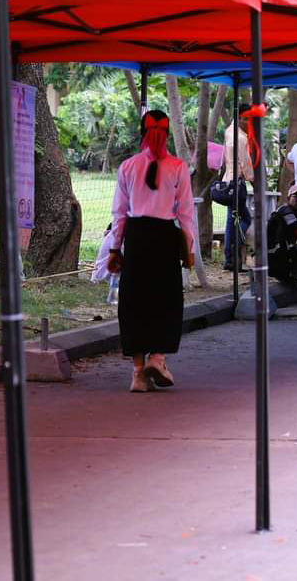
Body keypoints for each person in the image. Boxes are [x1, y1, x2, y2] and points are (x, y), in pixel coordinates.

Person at [108, 110, 196, 392]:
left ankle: (137, 373)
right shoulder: (178, 167)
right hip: (164, 239)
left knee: (134, 302)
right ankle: (157, 358)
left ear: (142, 134)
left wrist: (115, 248)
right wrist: (189, 248)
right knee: (165, 299)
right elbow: (185, 212)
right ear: (167, 135)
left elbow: (119, 213)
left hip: (136, 238)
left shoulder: (128, 167)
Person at [222, 103, 254, 271]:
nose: (249, 122)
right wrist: (254, 182)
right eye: (248, 119)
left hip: (228, 180)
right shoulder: (240, 138)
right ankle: (233, 254)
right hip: (237, 182)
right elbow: (245, 163)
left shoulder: (229, 131)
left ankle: (229, 257)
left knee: (231, 220)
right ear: (241, 117)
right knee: (245, 219)